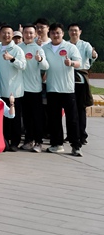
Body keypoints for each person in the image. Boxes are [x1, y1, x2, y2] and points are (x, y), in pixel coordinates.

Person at [42, 23, 83, 156]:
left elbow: (79, 63)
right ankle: (57, 144)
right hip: (52, 88)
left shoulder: (70, 47)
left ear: (63, 34)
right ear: (49, 34)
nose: (55, 35)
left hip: (67, 89)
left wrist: (71, 63)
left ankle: (76, 145)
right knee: (54, 119)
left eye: (58, 33)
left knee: (72, 119)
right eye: (53, 33)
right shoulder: (45, 48)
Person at [0, 24, 26, 152]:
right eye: (4, 33)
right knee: (3, 118)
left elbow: (23, 66)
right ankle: (4, 141)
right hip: (0, 89)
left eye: (9, 33)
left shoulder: (17, 50)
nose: (6, 35)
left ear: (12, 34)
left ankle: (15, 142)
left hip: (14, 90)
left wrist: (12, 59)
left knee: (15, 117)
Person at [18, 25, 48, 152]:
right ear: (23, 34)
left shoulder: (38, 49)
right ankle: (29, 140)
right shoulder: (18, 48)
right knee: (26, 117)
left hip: (35, 88)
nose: (28, 35)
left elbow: (46, 66)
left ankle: (38, 142)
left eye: (31, 33)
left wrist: (40, 59)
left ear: (35, 34)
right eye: (26, 32)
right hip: (21, 88)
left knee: (37, 117)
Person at [68, 23, 97, 146]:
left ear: (80, 32)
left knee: (81, 107)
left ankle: (82, 134)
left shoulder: (85, 45)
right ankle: (71, 134)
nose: (73, 32)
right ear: (68, 32)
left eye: (76, 30)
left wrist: (93, 54)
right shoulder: (66, 45)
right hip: (68, 79)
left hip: (80, 79)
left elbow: (92, 55)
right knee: (70, 108)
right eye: (71, 30)